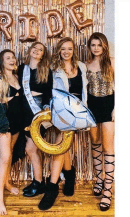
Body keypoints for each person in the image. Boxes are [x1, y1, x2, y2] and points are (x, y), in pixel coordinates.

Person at [44, 37, 88, 210]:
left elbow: (87, 90)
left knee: (61, 144)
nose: (66, 52)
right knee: (63, 145)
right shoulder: (54, 68)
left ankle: (52, 186)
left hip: (78, 111)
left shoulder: (82, 67)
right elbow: (49, 91)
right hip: (62, 110)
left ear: (73, 50)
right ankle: (68, 176)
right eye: (63, 49)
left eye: (69, 48)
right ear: (59, 51)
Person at [0, 49, 23, 215]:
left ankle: (7, 183)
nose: (11, 60)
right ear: (1, 62)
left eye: (13, 57)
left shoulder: (17, 76)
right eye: (7, 58)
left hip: (17, 123)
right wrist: (1, 126)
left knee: (9, 154)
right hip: (6, 123)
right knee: (4, 158)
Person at [18, 42, 53, 203]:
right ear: (30, 50)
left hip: (38, 110)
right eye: (35, 48)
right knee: (34, 149)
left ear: (43, 54)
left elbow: (49, 92)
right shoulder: (21, 69)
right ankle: (39, 181)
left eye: (40, 50)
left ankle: (38, 182)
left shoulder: (46, 70)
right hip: (23, 110)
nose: (37, 51)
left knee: (31, 148)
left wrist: (45, 110)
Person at [86, 32, 115, 211]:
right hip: (91, 108)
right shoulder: (87, 64)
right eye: (93, 45)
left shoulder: (111, 62)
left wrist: (116, 109)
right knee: (95, 144)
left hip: (108, 105)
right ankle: (98, 178)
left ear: (104, 46)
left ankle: (108, 190)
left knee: (108, 148)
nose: (96, 48)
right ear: (89, 47)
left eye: (99, 45)